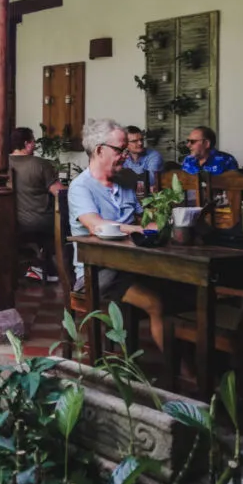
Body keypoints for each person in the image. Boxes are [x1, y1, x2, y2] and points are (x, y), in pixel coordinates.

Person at [68, 118, 167, 354]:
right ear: (100, 150)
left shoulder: (126, 181)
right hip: (98, 274)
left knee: (181, 291)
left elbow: (144, 218)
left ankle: (186, 368)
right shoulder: (81, 187)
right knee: (157, 303)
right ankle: (186, 375)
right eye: (120, 149)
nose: (125, 154)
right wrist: (136, 230)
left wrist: (163, 221)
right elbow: (96, 226)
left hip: (133, 265)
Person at [9, 127, 65, 282]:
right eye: (33, 142)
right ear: (27, 144)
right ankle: (59, 269)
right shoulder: (40, 164)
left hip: (12, 221)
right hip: (39, 221)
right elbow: (59, 192)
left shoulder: (3, 163)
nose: (34, 145)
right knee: (67, 223)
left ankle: (40, 266)